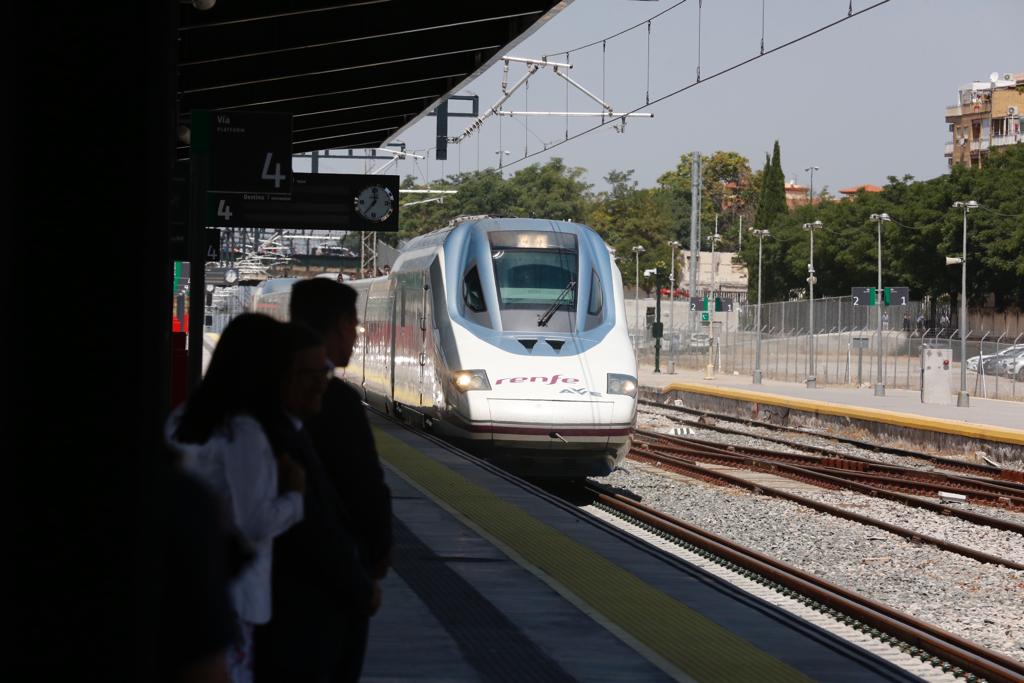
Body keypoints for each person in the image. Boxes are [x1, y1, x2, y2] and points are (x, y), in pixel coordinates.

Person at [167, 313, 307, 683]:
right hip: (236, 598)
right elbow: (255, 523)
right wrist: (295, 495)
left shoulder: (181, 419)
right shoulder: (243, 433)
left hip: (186, 588)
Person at [253, 323, 378, 683]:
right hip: (291, 622)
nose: (323, 382)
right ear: (279, 378)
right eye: (310, 374)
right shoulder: (268, 438)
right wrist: (359, 584)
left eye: (324, 372)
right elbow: (303, 529)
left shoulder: (291, 429)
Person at [289, 278, 393, 680]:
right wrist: (374, 558)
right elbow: (363, 485)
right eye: (354, 326)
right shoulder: (336, 402)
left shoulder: (268, 396)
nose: (356, 336)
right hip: (329, 585)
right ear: (336, 326)